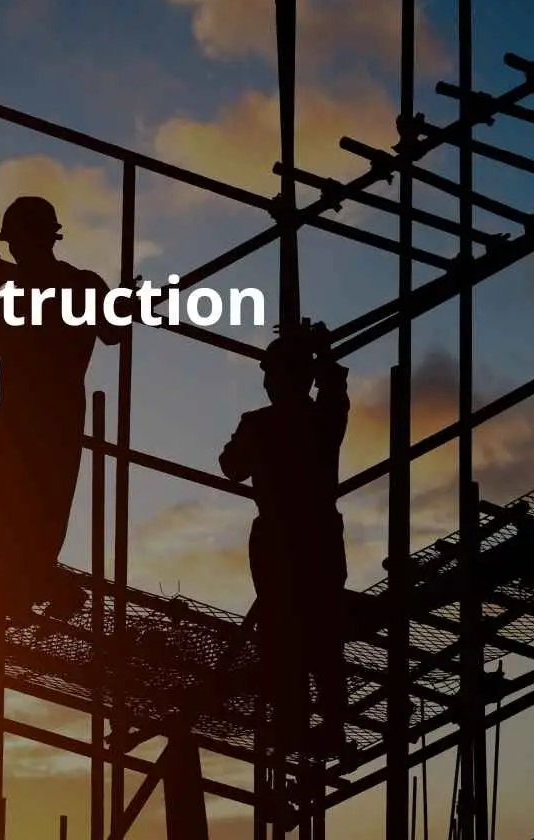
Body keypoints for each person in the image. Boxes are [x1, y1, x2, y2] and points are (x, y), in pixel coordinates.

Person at [0, 196, 127, 618]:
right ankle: (24, 584)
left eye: (17, 242)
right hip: (42, 422)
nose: (15, 252)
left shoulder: (34, 294)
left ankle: (24, 585)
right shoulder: (77, 287)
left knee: (27, 516)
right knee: (22, 517)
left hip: (36, 422)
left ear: (35, 240)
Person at [218, 319, 350, 755]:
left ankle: (294, 725)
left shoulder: (260, 424)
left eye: (269, 375)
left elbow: (231, 466)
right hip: (320, 535)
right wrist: (323, 352)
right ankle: (329, 727)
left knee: (284, 634)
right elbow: (335, 389)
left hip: (279, 538)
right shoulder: (323, 417)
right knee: (323, 635)